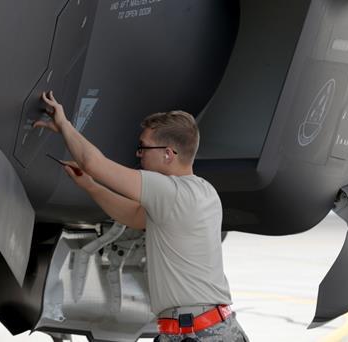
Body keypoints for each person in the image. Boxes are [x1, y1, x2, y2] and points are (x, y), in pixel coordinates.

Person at [34, 91, 249, 342]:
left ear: (168, 154)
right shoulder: (203, 191)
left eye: (143, 147)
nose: (139, 154)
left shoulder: (170, 191)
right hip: (193, 331)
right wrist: (91, 186)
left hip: (200, 334)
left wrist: (64, 125)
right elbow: (134, 216)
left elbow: (94, 162)